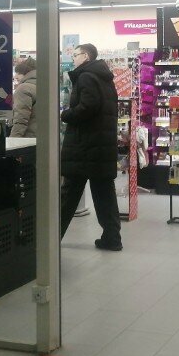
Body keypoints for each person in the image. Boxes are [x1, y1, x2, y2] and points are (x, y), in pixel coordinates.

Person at [60, 43, 122, 251]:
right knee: (105, 195)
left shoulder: (86, 76)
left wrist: (66, 114)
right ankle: (112, 238)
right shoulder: (104, 77)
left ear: (85, 56)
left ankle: (50, 239)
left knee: (68, 195)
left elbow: (88, 107)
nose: (73, 59)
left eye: (75, 55)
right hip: (101, 146)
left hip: (84, 146)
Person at [7, 57, 37, 138]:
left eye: (18, 73)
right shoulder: (43, 86)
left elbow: (20, 120)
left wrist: (13, 140)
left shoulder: (24, 88)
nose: (15, 76)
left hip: (27, 139)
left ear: (25, 73)